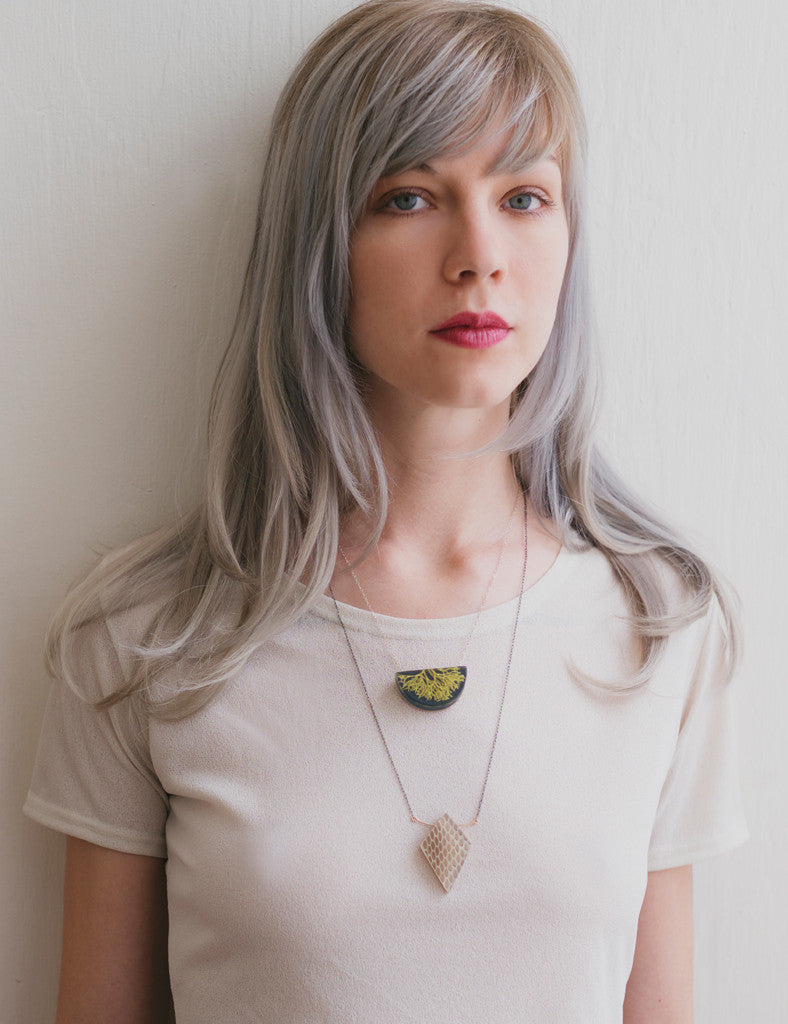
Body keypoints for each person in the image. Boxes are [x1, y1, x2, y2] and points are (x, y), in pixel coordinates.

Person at [25, 1, 748, 1021]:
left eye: (524, 196)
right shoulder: (145, 640)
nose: (479, 255)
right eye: (409, 198)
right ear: (320, 245)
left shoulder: (657, 627)